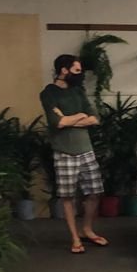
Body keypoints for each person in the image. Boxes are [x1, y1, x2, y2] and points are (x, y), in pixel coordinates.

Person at [40, 54, 106, 254]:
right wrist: (79, 116)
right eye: (77, 70)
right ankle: (75, 237)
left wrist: (69, 119)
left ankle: (87, 229)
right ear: (64, 70)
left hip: (86, 148)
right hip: (64, 151)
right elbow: (57, 122)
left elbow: (95, 118)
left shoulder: (78, 91)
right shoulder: (49, 93)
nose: (80, 74)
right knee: (67, 196)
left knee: (94, 192)